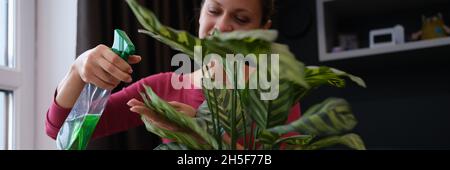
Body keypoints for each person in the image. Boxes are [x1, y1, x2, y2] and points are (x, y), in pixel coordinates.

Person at [45, 0, 301, 149]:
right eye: (214, 11)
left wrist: (200, 134)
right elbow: (63, 132)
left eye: (241, 18)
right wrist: (78, 69)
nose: (222, 26)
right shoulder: (163, 87)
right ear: (200, 14)